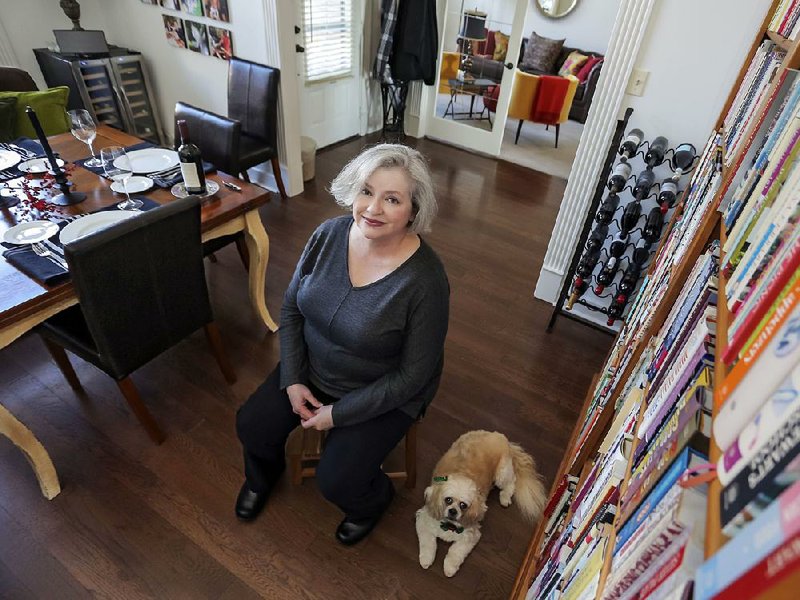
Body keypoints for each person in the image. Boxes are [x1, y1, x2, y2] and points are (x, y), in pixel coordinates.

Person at [235, 144, 450, 545]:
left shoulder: (425, 281)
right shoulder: (328, 234)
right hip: (314, 366)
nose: (372, 208)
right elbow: (292, 309)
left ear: (413, 211)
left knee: (337, 480)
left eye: (392, 199)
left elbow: (413, 375)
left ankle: (375, 500)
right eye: (366, 191)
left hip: (382, 390)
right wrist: (295, 378)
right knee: (252, 426)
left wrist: (338, 414)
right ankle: (261, 477)